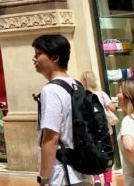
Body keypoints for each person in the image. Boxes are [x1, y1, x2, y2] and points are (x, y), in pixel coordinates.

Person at [31, 34, 90, 186]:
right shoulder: (76, 85)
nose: (34, 59)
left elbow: (51, 138)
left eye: (38, 54)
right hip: (82, 170)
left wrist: (43, 178)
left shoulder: (51, 90)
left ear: (55, 57)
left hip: (62, 174)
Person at [81, 71, 116, 186]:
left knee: (93, 153)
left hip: (90, 131)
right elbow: (112, 107)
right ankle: (107, 182)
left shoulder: (82, 96)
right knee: (107, 153)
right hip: (105, 130)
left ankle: (96, 177)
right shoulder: (101, 94)